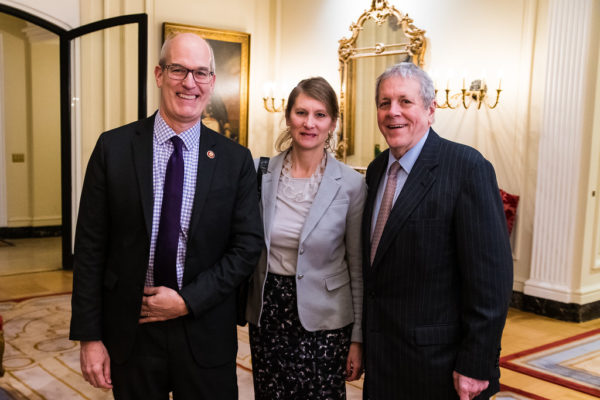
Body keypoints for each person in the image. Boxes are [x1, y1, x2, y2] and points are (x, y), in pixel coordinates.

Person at [69, 32, 263, 399]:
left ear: (212, 82)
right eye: (178, 70)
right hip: (133, 332)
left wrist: (187, 301)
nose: (190, 83)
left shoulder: (235, 160)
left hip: (205, 331)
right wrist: (89, 337)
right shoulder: (113, 148)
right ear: (159, 75)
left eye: (200, 72)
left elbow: (246, 247)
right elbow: (90, 248)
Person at [362, 62, 513, 400]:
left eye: (405, 101)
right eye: (384, 103)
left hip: (439, 368)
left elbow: (491, 283)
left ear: (431, 110)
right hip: (383, 360)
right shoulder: (376, 170)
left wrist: (477, 363)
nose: (392, 112)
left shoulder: (467, 168)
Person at [246, 77, 366, 399]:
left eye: (320, 114)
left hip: (326, 321)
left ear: (333, 123)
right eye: (301, 112)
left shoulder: (351, 184)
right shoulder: (259, 173)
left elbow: (357, 268)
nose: (309, 123)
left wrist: (357, 339)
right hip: (269, 313)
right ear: (288, 117)